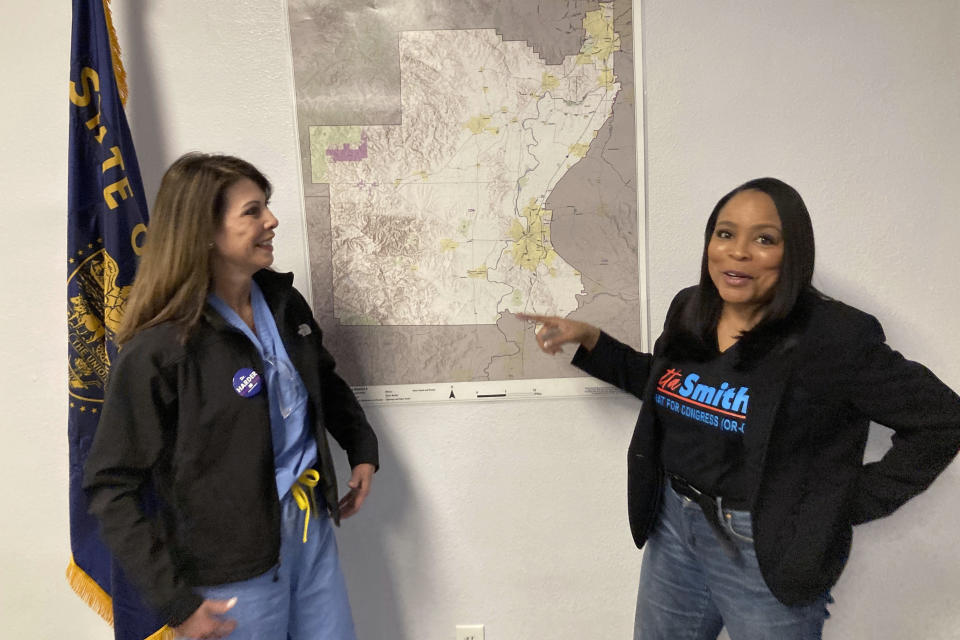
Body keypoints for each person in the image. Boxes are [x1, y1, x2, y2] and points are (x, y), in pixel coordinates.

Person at [520, 177, 960, 640]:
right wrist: (593, 343)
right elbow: (671, 388)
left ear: (793, 253)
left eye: (764, 239)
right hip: (674, 525)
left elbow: (942, 420)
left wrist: (832, 503)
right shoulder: (691, 309)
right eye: (725, 234)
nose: (738, 252)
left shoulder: (833, 338)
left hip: (764, 547)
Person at [83, 153, 378, 640]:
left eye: (267, 206)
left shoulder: (283, 303)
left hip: (310, 533)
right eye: (253, 210)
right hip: (229, 567)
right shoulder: (160, 349)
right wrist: (176, 603)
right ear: (204, 230)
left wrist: (361, 449)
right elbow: (110, 485)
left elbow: (322, 380)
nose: (271, 220)